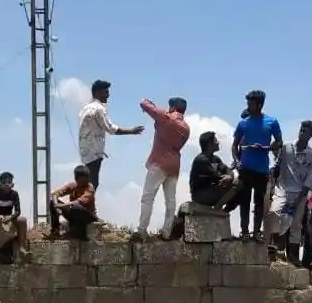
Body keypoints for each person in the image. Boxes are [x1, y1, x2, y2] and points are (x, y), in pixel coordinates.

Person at [232, 90, 283, 241]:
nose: (248, 106)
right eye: (247, 103)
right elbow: (234, 146)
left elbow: (279, 141)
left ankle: (256, 233)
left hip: (262, 169)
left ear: (259, 104)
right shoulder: (243, 123)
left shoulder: (271, 122)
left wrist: (266, 148)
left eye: (251, 104)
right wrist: (237, 161)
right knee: (244, 201)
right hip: (245, 168)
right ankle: (245, 232)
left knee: (259, 203)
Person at [264, 121, 312, 264]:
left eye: (306, 131)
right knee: (274, 213)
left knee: (296, 225)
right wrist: (271, 185)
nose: (302, 133)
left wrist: (299, 199)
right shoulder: (287, 147)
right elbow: (277, 167)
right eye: (301, 129)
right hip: (282, 189)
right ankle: (275, 247)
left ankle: (293, 256)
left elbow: (309, 181)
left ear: (311, 135)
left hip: (299, 192)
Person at [136, 96, 191, 239]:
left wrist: (149, 101)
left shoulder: (165, 117)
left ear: (172, 107)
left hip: (159, 162)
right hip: (174, 165)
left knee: (148, 197)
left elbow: (144, 104)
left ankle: (141, 230)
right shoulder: (186, 128)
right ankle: (166, 232)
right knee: (170, 200)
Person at [77, 80, 144, 189]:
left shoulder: (85, 108)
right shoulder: (98, 109)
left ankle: (83, 204)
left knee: (89, 182)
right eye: (106, 92)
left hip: (86, 150)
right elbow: (110, 128)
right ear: (98, 92)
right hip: (94, 151)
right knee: (92, 183)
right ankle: (83, 205)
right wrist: (131, 131)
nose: (108, 95)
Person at [188, 132, 242, 211]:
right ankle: (217, 209)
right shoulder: (201, 160)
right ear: (210, 143)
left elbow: (228, 171)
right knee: (238, 184)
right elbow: (218, 178)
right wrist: (228, 177)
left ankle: (223, 212)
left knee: (243, 190)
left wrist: (229, 176)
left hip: (213, 190)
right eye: (215, 140)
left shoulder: (216, 159)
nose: (218, 143)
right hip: (200, 194)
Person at [0, 171, 29, 256]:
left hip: (7, 219)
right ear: (0, 184)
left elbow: (18, 211)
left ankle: (22, 247)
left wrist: (10, 217)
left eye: (9, 182)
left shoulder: (14, 194)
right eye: (4, 183)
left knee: (22, 220)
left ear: (12, 184)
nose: (7, 185)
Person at [49, 165, 98, 240]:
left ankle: (77, 232)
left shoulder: (90, 188)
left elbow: (78, 202)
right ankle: (55, 231)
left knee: (75, 207)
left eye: (87, 179)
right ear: (76, 179)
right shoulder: (72, 186)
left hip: (88, 216)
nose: (86, 182)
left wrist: (60, 206)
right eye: (83, 180)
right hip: (73, 213)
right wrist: (56, 205)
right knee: (52, 202)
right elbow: (55, 194)